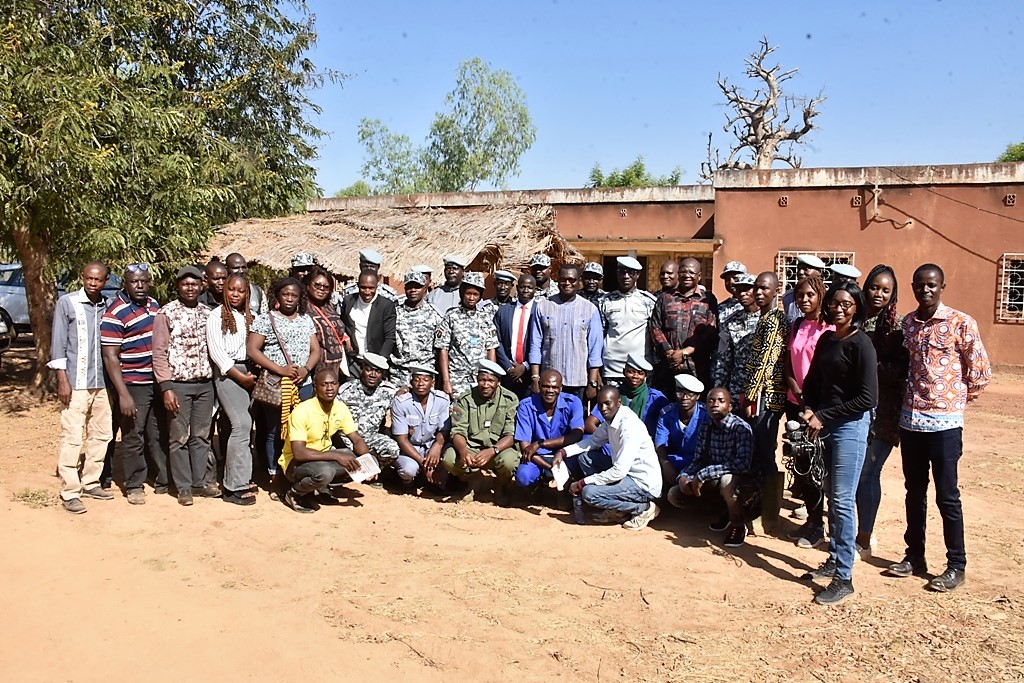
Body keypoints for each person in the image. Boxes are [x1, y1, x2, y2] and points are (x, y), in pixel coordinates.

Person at [886, 264, 990, 592]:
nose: (925, 290)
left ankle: (956, 564)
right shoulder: (908, 324)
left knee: (947, 495)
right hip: (911, 421)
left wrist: (954, 402)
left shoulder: (961, 322)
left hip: (945, 426)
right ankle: (914, 555)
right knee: (913, 493)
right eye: (919, 285)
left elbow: (980, 371)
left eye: (931, 285)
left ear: (942, 286)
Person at [799, 281, 878, 605]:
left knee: (843, 500)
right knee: (832, 494)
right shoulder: (827, 340)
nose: (839, 308)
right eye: (834, 303)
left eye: (846, 303)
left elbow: (868, 397)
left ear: (856, 307)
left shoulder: (862, 345)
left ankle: (844, 576)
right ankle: (834, 559)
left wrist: (825, 414)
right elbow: (813, 382)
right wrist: (807, 408)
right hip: (826, 426)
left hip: (850, 428)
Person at [101, 263, 170, 504]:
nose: (139, 286)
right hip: (132, 383)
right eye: (134, 282)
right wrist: (123, 394)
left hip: (156, 381)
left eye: (144, 281)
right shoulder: (115, 313)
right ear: (125, 284)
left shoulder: (154, 305)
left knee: (158, 432)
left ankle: (161, 478)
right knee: (133, 435)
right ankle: (134, 485)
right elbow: (110, 357)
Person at [152, 266, 219, 506]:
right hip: (178, 385)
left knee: (201, 436)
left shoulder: (208, 313)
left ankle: (198, 483)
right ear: (178, 286)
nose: (190, 288)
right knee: (179, 437)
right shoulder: (166, 313)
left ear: (202, 285)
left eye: (194, 284)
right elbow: (159, 353)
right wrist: (166, 386)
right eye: (184, 284)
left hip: (205, 385)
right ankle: (182, 487)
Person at [50, 261, 113, 513]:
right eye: (89, 278)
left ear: (105, 281)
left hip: (102, 383)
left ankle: (91, 481)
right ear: (82, 277)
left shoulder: (108, 305)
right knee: (73, 435)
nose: (93, 283)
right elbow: (58, 343)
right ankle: (70, 491)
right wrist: (61, 379)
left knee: (101, 434)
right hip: (76, 382)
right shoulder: (68, 303)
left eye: (98, 280)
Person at [855, 265, 908, 558]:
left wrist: (870, 371)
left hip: (885, 411)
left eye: (885, 290)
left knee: (868, 472)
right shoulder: (854, 320)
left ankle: (865, 538)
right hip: (852, 409)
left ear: (893, 294)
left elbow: (901, 371)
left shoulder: (897, 327)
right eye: (874, 287)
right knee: (849, 473)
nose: (878, 294)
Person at [556, 386, 662, 530]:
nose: (603, 408)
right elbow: (593, 441)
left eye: (608, 403)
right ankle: (617, 508)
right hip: (626, 473)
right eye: (600, 405)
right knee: (585, 458)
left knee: (589, 494)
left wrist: (582, 483)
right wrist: (563, 452)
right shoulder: (611, 420)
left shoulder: (628, 427)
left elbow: (619, 471)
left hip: (642, 483)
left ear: (619, 402)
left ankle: (643, 508)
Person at [248, 277, 321, 480]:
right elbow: (252, 350)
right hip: (276, 384)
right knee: (275, 430)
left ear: (300, 298)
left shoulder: (306, 319)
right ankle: (274, 473)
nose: (289, 299)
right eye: (285, 294)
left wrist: (306, 369)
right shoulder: (266, 319)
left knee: (300, 430)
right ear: (277, 296)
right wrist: (280, 369)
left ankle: (296, 470)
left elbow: (315, 350)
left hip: (303, 385)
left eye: (294, 295)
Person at [782, 275, 833, 548]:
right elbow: (789, 364)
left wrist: (811, 403)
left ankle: (818, 526)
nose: (804, 300)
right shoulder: (797, 324)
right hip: (796, 403)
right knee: (801, 464)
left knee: (816, 466)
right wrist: (798, 395)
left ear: (821, 296)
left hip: (818, 408)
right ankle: (811, 521)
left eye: (810, 295)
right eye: (800, 295)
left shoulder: (829, 328)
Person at [667, 388, 754, 547]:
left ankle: (738, 524)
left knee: (727, 482)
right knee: (675, 494)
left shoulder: (740, 428)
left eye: (721, 401)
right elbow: (699, 459)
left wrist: (703, 475)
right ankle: (722, 512)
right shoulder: (706, 426)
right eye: (711, 401)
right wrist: (684, 476)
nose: (715, 405)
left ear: (730, 406)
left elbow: (742, 464)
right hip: (712, 477)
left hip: (742, 481)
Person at [280, 369, 371, 513]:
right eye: (324, 384)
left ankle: (321, 487)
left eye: (333, 383)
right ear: (316, 387)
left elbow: (356, 439)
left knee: (363, 463)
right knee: (325, 471)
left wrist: (369, 465)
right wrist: (336, 456)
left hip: (323, 457)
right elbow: (299, 453)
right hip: (296, 463)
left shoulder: (340, 408)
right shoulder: (302, 411)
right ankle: (295, 494)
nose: (330, 388)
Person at [206, 273, 258, 505]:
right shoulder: (216, 316)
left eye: (241, 291)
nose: (236, 294)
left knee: (246, 427)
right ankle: (232, 486)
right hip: (229, 374)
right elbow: (218, 354)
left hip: (246, 371)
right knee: (241, 425)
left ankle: (243, 477)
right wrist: (241, 378)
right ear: (224, 291)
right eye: (231, 289)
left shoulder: (246, 317)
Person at [442, 359, 520, 506]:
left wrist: (492, 450)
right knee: (449, 458)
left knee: (510, 461)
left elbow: (512, 434)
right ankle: (475, 481)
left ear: (498, 382)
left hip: (498, 450)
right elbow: (458, 430)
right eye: (482, 380)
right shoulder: (464, 400)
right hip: (472, 449)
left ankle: (500, 485)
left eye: (490, 380)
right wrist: (464, 451)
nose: (485, 385)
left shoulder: (510, 399)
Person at [528, 264, 604, 401]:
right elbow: (535, 344)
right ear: (557, 280)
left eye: (572, 280)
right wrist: (535, 377)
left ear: (578, 281)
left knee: (575, 421)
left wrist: (592, 382)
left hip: (578, 382)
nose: (567, 283)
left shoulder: (590, 309)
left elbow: (595, 350)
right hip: (549, 383)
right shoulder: (543, 306)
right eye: (563, 279)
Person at [742, 272, 789, 473]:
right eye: (757, 288)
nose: (759, 292)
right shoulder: (765, 317)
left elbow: (766, 362)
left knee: (764, 450)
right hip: (760, 394)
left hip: (766, 396)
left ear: (776, 292)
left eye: (765, 288)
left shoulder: (775, 321)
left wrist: (750, 398)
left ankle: (769, 501)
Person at [650, 257, 719, 395]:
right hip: (668, 368)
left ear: (699, 276)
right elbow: (655, 327)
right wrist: (670, 353)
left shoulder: (708, 300)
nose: (687, 275)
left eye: (691, 272)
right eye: (683, 271)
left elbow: (711, 332)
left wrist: (685, 352)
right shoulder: (665, 298)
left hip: (697, 368)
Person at [513, 369, 585, 489]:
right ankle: (539, 485)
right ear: (539, 386)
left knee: (580, 463)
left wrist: (540, 444)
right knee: (523, 477)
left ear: (561, 387)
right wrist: (550, 468)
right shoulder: (526, 406)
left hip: (565, 454)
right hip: (537, 457)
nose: (550, 391)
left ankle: (567, 489)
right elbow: (526, 448)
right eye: (546, 386)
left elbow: (577, 435)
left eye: (554, 387)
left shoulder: (573, 402)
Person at [435, 272, 499, 399]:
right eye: (468, 293)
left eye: (475, 294)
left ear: (480, 296)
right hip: (457, 378)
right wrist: (446, 381)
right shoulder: (451, 316)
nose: (471, 298)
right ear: (462, 293)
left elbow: (491, 349)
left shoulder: (485, 318)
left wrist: (491, 376)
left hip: (480, 379)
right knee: (458, 415)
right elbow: (443, 349)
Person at [335, 352, 400, 475]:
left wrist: (405, 389)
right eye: (369, 370)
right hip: (347, 439)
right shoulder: (346, 390)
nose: (373, 375)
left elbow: (404, 398)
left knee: (392, 449)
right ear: (362, 369)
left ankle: (373, 470)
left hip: (370, 438)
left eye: (378, 372)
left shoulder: (388, 391)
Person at [390, 364, 451, 493]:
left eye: (425, 380)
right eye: (417, 380)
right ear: (411, 382)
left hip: (432, 445)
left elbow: (444, 430)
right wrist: (424, 464)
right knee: (408, 470)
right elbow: (402, 439)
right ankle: (407, 483)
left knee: (448, 457)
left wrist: (438, 446)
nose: (420, 384)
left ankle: (437, 484)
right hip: (410, 449)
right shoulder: (401, 402)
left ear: (432, 382)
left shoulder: (442, 400)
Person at [598, 256, 657, 385]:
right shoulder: (605, 301)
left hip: (640, 367)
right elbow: (600, 334)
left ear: (638, 275)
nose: (626, 276)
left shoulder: (648, 301)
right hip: (612, 367)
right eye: (622, 272)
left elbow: (654, 334)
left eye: (631, 272)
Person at [584, 354, 668, 441]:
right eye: (631, 372)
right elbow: (589, 423)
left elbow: (667, 425)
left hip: (643, 443)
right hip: (615, 441)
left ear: (645, 376)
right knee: (586, 439)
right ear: (624, 372)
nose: (635, 376)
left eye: (640, 373)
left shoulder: (655, 398)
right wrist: (612, 439)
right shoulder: (613, 395)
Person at [654, 373, 711, 489]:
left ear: (698, 396)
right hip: (676, 460)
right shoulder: (666, 414)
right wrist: (665, 464)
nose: (685, 398)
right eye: (680, 393)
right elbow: (660, 444)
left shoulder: (705, 414)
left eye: (690, 394)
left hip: (700, 463)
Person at [711, 273, 759, 400]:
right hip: (736, 387)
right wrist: (719, 387)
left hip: (759, 389)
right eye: (739, 290)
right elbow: (723, 358)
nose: (742, 294)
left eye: (747, 289)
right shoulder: (730, 322)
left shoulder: (766, 320)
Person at [393, 270, 443, 387]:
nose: (413, 290)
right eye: (410, 287)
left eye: (417, 287)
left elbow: (441, 347)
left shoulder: (434, 314)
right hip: (399, 372)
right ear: (405, 289)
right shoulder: (394, 312)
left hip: (425, 372)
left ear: (424, 288)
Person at [341, 269, 397, 369]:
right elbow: (342, 324)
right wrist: (345, 337)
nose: (367, 292)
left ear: (377, 286)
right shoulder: (349, 301)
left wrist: (381, 361)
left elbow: (390, 336)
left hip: (376, 361)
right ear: (358, 286)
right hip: (353, 361)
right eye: (363, 288)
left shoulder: (386, 306)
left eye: (371, 288)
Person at [493, 273, 537, 398]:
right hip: (508, 373)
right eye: (523, 287)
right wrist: (509, 367)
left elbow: (543, 343)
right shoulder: (504, 311)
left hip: (530, 374)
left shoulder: (540, 311)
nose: (526, 290)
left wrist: (525, 366)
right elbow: (497, 340)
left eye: (530, 287)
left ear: (535, 289)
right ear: (517, 288)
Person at [304, 265, 350, 381]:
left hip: (337, 367)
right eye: (317, 285)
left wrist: (345, 337)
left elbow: (335, 327)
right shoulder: (302, 308)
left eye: (326, 287)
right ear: (308, 285)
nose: (321, 289)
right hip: (317, 367)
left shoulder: (328, 306)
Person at [782, 254, 827, 324]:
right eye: (798, 269)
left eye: (806, 269)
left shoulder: (828, 297)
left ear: (819, 273)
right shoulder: (788, 297)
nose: (800, 272)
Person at [224, 252, 266, 317]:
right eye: (236, 268)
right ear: (226, 269)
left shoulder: (257, 291)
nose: (241, 271)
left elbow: (264, 316)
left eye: (244, 267)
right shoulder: (221, 290)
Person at [716, 261, 748, 327]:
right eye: (727, 279)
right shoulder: (721, 308)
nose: (731, 282)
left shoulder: (754, 305)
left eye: (735, 278)